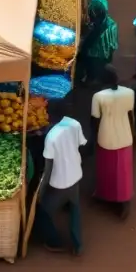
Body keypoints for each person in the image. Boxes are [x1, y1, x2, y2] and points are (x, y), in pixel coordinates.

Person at [36, 96, 86, 255]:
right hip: (76, 175)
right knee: (74, 209)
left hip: (61, 183)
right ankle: (77, 244)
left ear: (50, 115)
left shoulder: (51, 137)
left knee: (43, 211)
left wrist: (40, 191)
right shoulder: (74, 124)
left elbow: (48, 168)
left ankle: (54, 242)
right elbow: (81, 145)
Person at [91, 65, 136, 218]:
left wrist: (93, 137)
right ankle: (123, 201)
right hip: (125, 136)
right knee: (123, 172)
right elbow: (131, 115)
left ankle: (105, 196)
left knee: (106, 169)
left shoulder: (98, 96)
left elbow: (95, 119)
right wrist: (133, 134)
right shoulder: (129, 93)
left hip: (106, 136)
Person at [78, 0, 118, 85]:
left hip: (97, 59)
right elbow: (113, 46)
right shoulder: (96, 25)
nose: (95, 13)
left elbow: (112, 45)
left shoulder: (108, 25)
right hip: (96, 60)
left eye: (97, 10)